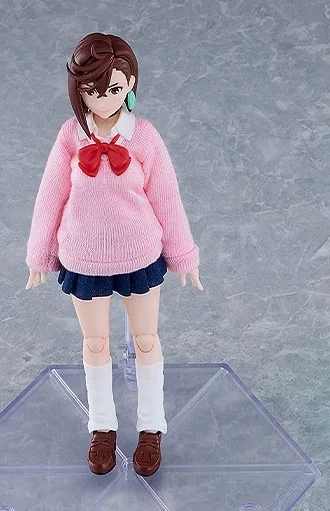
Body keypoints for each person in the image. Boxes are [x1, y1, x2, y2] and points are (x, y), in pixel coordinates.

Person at [25, 33, 203, 477]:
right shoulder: (69, 137)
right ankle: (102, 426)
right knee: (95, 343)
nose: (103, 100)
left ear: (130, 85)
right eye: (92, 90)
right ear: (78, 90)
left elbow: (167, 196)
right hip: (83, 258)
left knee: (146, 340)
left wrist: (183, 253)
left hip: (139, 255)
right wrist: (39, 252)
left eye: (114, 89)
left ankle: (151, 426)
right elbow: (50, 196)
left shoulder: (144, 136)